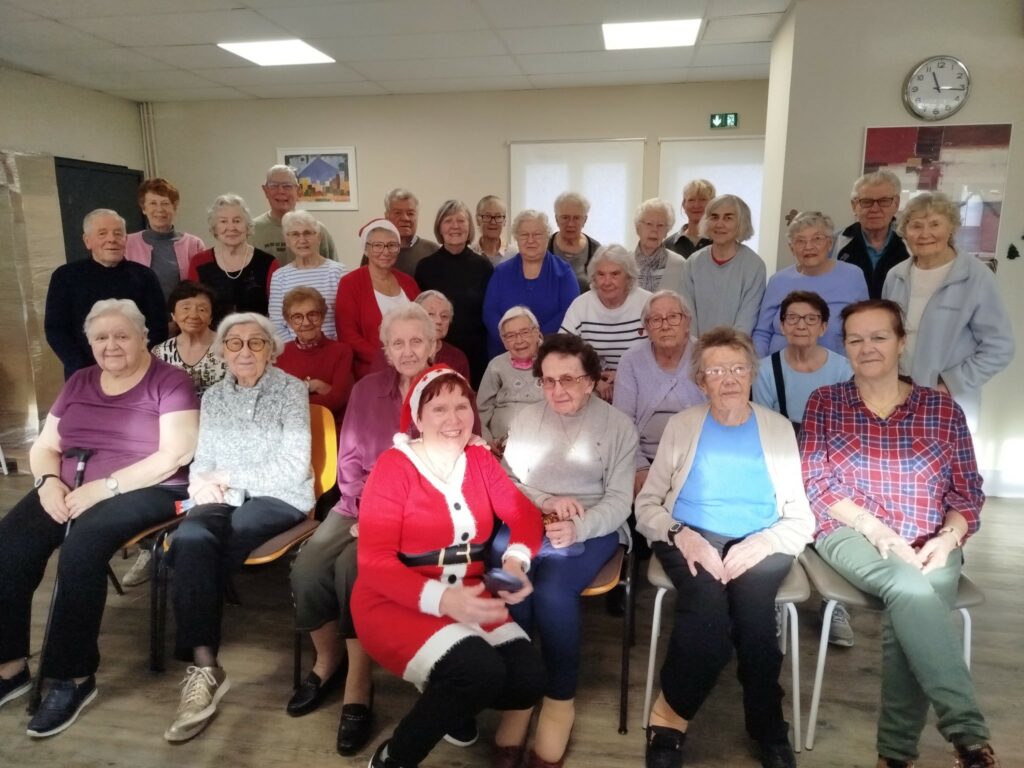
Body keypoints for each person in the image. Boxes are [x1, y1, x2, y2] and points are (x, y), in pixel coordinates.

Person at [801, 299, 1001, 768]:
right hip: (850, 529)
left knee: (910, 605)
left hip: (933, 537)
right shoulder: (825, 403)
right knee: (909, 589)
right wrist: (877, 531)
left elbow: (967, 491)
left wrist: (947, 539)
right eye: (855, 339)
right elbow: (817, 485)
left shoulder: (942, 409)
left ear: (901, 342)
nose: (866, 347)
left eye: (879, 337)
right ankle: (968, 736)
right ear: (844, 346)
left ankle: (894, 756)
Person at [0, 299, 198, 737]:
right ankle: (9, 667)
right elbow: (44, 445)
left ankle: (73, 677)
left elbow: (175, 454)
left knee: (81, 549)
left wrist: (104, 488)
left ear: (144, 337)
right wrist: (47, 482)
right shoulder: (79, 380)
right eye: (101, 337)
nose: (111, 345)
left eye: (122, 335)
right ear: (89, 343)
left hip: (150, 489)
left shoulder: (170, 381)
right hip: (69, 486)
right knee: (8, 545)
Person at [636, 327, 813, 768]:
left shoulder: (778, 429)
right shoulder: (682, 425)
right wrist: (681, 534)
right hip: (691, 534)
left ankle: (767, 728)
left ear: (752, 373)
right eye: (716, 371)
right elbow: (647, 504)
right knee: (708, 622)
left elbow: (801, 517)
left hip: (763, 538)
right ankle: (669, 721)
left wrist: (766, 541)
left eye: (737, 368)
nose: (729, 378)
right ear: (701, 382)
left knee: (756, 627)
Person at [354, 366, 545, 768]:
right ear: (418, 419)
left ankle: (451, 702)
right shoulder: (393, 466)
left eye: (462, 406)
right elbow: (374, 563)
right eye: (439, 409)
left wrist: (515, 562)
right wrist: (443, 601)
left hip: (468, 596)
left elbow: (524, 515)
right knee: (478, 671)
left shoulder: (478, 458)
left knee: (526, 680)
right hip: (393, 601)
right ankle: (393, 758)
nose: (454, 418)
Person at [287, 303, 444, 756]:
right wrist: (365, 504)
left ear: (432, 346)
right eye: (398, 343)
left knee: (352, 569)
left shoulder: (449, 391)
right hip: (358, 502)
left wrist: (387, 512)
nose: (408, 350)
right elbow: (350, 459)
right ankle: (328, 659)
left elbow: (449, 468)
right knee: (307, 568)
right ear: (386, 351)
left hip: (413, 511)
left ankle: (359, 682)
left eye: (417, 341)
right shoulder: (367, 389)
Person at [163, 312, 313, 742]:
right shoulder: (213, 397)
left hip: (278, 496)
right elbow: (203, 460)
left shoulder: (290, 390)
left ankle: (195, 646)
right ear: (222, 351)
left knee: (205, 547)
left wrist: (228, 477)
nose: (245, 351)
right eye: (234, 343)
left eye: (255, 342)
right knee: (190, 536)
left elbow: (293, 466)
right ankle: (207, 668)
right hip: (220, 494)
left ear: (271, 350)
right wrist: (202, 483)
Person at [496, 333, 638, 768]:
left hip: (594, 524)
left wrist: (579, 527)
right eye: (548, 380)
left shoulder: (618, 426)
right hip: (529, 518)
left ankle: (559, 701)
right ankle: (520, 694)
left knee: (554, 593)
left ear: (591, 381)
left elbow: (620, 500)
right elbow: (509, 480)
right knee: (510, 585)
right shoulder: (526, 418)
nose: (557, 390)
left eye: (569, 380)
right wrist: (546, 502)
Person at [121, 281, 228, 589]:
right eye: (186, 307)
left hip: (215, 436)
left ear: (212, 315)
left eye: (202, 308)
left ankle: (189, 546)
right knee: (143, 478)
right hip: (169, 435)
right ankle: (150, 549)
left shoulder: (228, 347)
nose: (194, 314)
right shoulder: (159, 352)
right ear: (173, 314)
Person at [882, 192, 1014, 432]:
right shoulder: (896, 275)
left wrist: (950, 384)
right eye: (916, 226)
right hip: (897, 396)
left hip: (949, 402)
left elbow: (999, 347)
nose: (925, 234)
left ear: (951, 228)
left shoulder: (976, 277)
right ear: (905, 232)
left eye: (935, 224)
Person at [45, 209, 167, 379]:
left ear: (125, 239)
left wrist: (133, 363)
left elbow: (158, 327)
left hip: (136, 372)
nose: (111, 239)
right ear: (87, 241)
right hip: (83, 372)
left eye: (118, 233)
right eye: (102, 233)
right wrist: (83, 367)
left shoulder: (144, 276)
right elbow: (56, 330)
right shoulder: (65, 276)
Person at [613, 290, 705, 498]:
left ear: (687, 322)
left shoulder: (705, 355)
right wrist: (639, 466)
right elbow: (622, 422)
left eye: (673, 317)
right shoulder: (631, 360)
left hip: (696, 460)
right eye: (656, 320)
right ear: (647, 328)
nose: (665, 325)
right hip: (646, 460)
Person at [753, 211, 868, 357]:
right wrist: (761, 366)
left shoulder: (852, 275)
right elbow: (762, 333)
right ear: (791, 248)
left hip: (838, 366)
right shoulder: (778, 280)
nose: (809, 246)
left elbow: (865, 326)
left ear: (830, 243)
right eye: (800, 241)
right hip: (779, 365)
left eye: (817, 239)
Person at [414, 199, 493, 386]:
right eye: (448, 221)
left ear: (469, 227)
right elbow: (418, 316)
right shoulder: (425, 267)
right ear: (439, 228)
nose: (455, 226)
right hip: (436, 353)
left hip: (476, 355)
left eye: (461, 220)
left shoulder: (483, 267)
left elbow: (489, 312)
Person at [560, 244, 652, 401]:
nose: (607, 282)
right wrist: (592, 379)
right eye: (601, 274)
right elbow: (562, 352)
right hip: (591, 384)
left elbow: (662, 354)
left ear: (628, 276)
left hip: (641, 383)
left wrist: (624, 376)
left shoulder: (648, 303)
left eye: (615, 274)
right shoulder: (581, 305)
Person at [482, 209, 579, 357]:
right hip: (505, 354)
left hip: (550, 353)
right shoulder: (501, 272)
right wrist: (510, 339)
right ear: (516, 238)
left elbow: (570, 313)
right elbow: (490, 311)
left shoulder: (564, 273)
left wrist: (536, 341)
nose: (531, 240)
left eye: (537, 234)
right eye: (524, 235)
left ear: (547, 237)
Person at [754, 290, 852, 430]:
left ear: (823, 328)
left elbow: (849, 424)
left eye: (811, 319)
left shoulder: (845, 369)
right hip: (781, 441)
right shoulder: (764, 370)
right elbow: (763, 425)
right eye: (792, 318)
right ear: (782, 326)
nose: (801, 326)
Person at [337, 219, 420, 379]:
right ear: (366, 249)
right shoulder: (350, 283)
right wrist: (388, 358)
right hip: (372, 372)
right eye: (377, 245)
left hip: (412, 368)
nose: (385, 251)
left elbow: (422, 325)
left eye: (391, 245)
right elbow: (348, 335)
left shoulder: (408, 282)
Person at [680, 194, 766, 337]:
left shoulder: (754, 266)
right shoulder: (693, 263)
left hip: (736, 347)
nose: (719, 224)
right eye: (714, 217)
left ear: (741, 222)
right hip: (696, 347)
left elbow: (746, 321)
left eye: (728, 218)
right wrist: (696, 347)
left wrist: (727, 349)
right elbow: (688, 315)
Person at [187, 194, 279, 324]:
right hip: (211, 336)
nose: (231, 228)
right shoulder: (199, 262)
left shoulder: (268, 263)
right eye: (223, 221)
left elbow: (277, 314)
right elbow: (192, 310)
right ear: (215, 228)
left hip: (257, 334)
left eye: (237, 221)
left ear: (247, 226)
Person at [276, 286, 354, 424]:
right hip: (292, 430)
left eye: (312, 314)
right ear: (289, 322)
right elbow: (275, 402)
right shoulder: (279, 355)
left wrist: (293, 398)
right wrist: (314, 386)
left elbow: (338, 400)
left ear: (322, 316)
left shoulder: (342, 351)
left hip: (331, 429)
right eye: (297, 317)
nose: (306, 323)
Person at [267, 210, 347, 342]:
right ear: (287, 241)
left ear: (319, 237)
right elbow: (277, 325)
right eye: (295, 234)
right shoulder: (279, 276)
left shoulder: (339, 272)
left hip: (334, 348)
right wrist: (297, 350)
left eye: (307, 233)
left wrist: (332, 349)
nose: (302, 240)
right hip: (294, 351)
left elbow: (347, 320)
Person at [477, 306, 545, 455]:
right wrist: (486, 440)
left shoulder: (553, 360)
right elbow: (481, 409)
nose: (519, 341)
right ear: (504, 341)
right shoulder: (496, 365)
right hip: (501, 446)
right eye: (510, 336)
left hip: (545, 442)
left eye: (524, 332)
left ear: (536, 332)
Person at [124, 177, 206, 300]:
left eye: (165, 203)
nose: (159, 209)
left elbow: (203, 289)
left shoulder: (194, 244)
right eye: (153, 203)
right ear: (144, 209)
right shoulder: (127, 243)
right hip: (138, 312)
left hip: (182, 312)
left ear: (174, 208)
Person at [835, 170, 908, 298]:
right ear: (854, 206)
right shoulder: (834, 243)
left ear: (896, 204)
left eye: (884, 201)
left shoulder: (910, 244)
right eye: (866, 201)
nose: (875, 209)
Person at [251, 164, 338, 265]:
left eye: (287, 186)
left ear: (298, 191)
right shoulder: (251, 231)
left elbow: (334, 270)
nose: (281, 191)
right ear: (265, 191)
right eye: (274, 186)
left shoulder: (318, 230)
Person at [548, 192, 601, 293]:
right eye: (565, 217)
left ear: (585, 220)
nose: (570, 224)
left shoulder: (596, 250)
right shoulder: (544, 247)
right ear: (556, 219)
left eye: (576, 218)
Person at [633, 198, 686, 295]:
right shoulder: (624, 263)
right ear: (638, 228)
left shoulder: (680, 265)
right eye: (649, 224)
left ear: (667, 231)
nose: (654, 230)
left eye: (660, 225)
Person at [415, 291, 471, 381]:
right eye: (431, 314)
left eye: (444, 316)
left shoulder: (458, 358)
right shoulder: (405, 353)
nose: (439, 321)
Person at [383, 188, 438, 276]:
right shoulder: (376, 250)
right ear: (387, 216)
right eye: (398, 213)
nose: (405, 218)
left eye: (410, 213)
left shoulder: (432, 251)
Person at [664, 179, 714, 259]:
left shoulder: (721, 241)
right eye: (691, 200)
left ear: (713, 204)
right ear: (684, 205)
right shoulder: (669, 244)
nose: (696, 205)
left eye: (703, 199)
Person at [473, 194, 515, 265]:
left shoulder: (514, 255)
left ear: (504, 221)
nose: (493, 222)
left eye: (498, 216)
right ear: (477, 220)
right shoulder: (470, 253)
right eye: (487, 216)